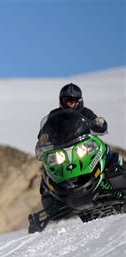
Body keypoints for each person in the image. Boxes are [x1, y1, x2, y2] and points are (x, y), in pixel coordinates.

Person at [35, 83, 122, 217]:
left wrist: (99, 124)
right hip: (63, 152)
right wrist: (43, 140)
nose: (69, 103)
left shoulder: (85, 112)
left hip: (83, 147)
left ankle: (117, 184)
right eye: (66, 100)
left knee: (108, 155)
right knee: (47, 174)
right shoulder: (55, 116)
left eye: (72, 100)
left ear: (78, 101)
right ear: (61, 100)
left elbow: (96, 124)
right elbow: (45, 133)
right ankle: (53, 209)